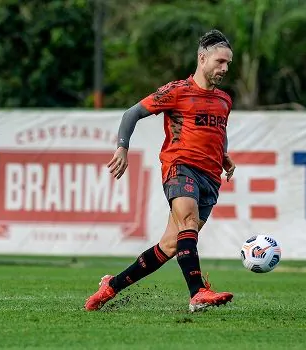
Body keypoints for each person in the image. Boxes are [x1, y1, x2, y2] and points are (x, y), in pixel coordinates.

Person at [84, 29, 236, 312]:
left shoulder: (224, 100)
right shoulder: (177, 91)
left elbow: (219, 131)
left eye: (228, 63)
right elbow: (132, 113)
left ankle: (111, 286)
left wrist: (224, 154)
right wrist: (122, 147)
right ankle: (198, 292)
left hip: (211, 177)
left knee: (171, 245)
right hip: (180, 167)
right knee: (188, 221)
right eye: (219, 62)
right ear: (202, 59)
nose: (225, 68)